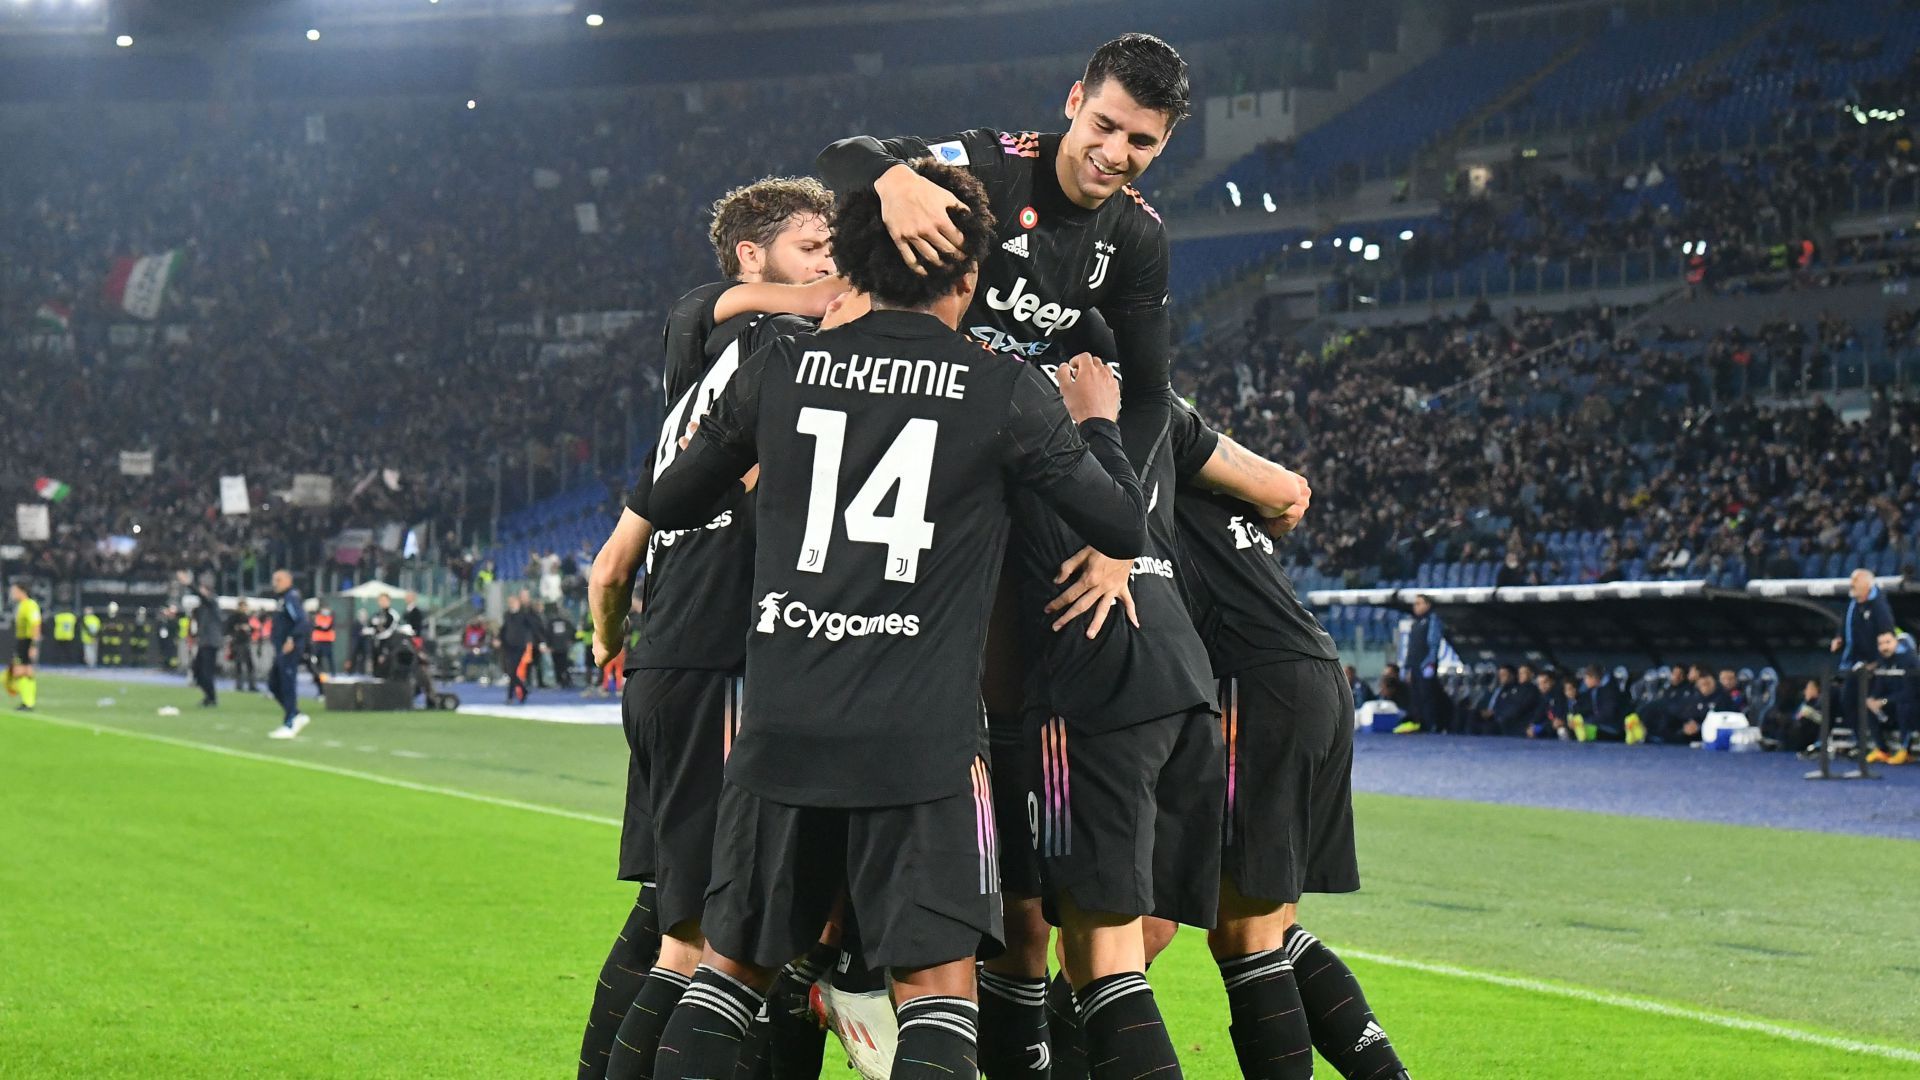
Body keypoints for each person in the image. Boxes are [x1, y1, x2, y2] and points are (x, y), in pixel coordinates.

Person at [642, 158, 1147, 1080]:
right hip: (923, 746)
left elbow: (669, 501)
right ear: (967, 280)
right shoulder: (1004, 391)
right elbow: (1121, 521)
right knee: (936, 991)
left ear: (857, 270)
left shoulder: (781, 374)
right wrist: (1099, 421)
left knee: (730, 973)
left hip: (783, 733)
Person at [589, 175, 839, 1080]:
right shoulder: (766, 345)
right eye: (816, 247)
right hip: (721, 666)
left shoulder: (695, 384)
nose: (833, 268)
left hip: (670, 665)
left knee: (677, 914)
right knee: (706, 945)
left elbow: (610, 563)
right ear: (750, 257)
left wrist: (610, 642)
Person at [1164, 404, 1410, 1080]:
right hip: (1316, 675)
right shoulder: (1223, 479)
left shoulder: (1146, 454)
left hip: (1256, 682)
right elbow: (1290, 490)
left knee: (1245, 937)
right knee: (1270, 926)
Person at [815, 32, 1186, 473]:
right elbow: (839, 157)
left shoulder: (1139, 235)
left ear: (1163, 143)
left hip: (1022, 414)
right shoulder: (996, 164)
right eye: (1103, 125)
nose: (1112, 154)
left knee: (1182, 427)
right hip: (927, 392)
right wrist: (894, 179)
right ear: (1074, 101)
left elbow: (1149, 395)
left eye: (1140, 141)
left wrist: (1122, 512)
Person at [1832, 567, 1895, 738]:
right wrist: (1839, 638)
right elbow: (1843, 625)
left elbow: (1888, 635)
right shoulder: (1852, 604)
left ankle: (1872, 742)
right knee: (1840, 697)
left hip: (1873, 666)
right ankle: (1857, 740)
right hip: (1852, 663)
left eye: (1855, 582)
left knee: (1859, 700)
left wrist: (1876, 663)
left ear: (1867, 585)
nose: (1851, 585)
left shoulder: (1879, 607)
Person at [265, 569, 312, 739]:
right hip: (281, 648)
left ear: (287, 580)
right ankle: (295, 714)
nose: (275, 583)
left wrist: (292, 639)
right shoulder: (283, 599)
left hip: (289, 648)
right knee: (273, 683)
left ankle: (290, 721)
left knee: (287, 684)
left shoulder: (291, 597)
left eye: (278, 579)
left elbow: (302, 621)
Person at [1863, 631, 1917, 765]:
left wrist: (1883, 701)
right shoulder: (1883, 662)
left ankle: (1905, 750)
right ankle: (1882, 749)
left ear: (1896, 642)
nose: (1884, 647)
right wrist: (1872, 699)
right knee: (1868, 706)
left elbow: (1910, 693)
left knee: (1904, 706)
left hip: (1912, 705)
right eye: (1881, 643)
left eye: (1888, 642)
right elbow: (1879, 688)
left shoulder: (1909, 660)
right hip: (1891, 704)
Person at [1396, 596, 1445, 734]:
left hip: (1425, 665)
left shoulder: (1432, 620)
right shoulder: (1415, 623)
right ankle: (1419, 724)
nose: (1415, 607)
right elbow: (1411, 647)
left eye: (1419, 604)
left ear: (1428, 605)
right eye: (1414, 604)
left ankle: (1432, 725)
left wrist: (1429, 663)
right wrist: (1408, 666)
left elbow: (1433, 644)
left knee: (1427, 696)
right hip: (1414, 665)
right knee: (1416, 697)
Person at [495, 594, 538, 705]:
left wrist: (540, 641)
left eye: (513, 602)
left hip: (519, 646)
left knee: (512, 670)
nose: (511, 605)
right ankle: (523, 690)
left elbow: (534, 626)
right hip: (508, 646)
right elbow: (504, 629)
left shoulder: (524, 615)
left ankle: (510, 696)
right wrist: (499, 639)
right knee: (510, 671)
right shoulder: (507, 615)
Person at [8, 583, 42, 712]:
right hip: (22, 640)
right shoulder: (21, 605)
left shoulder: (30, 605)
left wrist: (34, 645)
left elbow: (36, 625)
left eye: (14, 591)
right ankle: (27, 702)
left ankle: (28, 702)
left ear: (22, 591)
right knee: (24, 671)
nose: (12, 594)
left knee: (22, 671)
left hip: (27, 641)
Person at [190, 585, 224, 707]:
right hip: (204, 642)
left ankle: (211, 698)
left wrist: (189, 584)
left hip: (211, 643)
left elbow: (204, 598)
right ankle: (209, 696)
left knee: (206, 672)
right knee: (197, 671)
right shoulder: (204, 608)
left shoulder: (212, 602)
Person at [228, 600, 257, 691]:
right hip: (238, 643)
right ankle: (239, 685)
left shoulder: (246, 617)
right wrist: (240, 628)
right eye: (244, 606)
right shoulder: (235, 617)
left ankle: (251, 685)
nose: (245, 608)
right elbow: (229, 627)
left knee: (249, 665)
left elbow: (250, 629)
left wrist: (250, 629)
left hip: (245, 642)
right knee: (239, 664)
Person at [309, 605, 337, 676]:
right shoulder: (317, 617)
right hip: (318, 641)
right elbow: (315, 626)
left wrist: (321, 627)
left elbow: (327, 627)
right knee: (317, 658)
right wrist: (322, 627)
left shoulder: (330, 618)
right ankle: (317, 673)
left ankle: (333, 673)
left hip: (327, 641)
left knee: (330, 658)